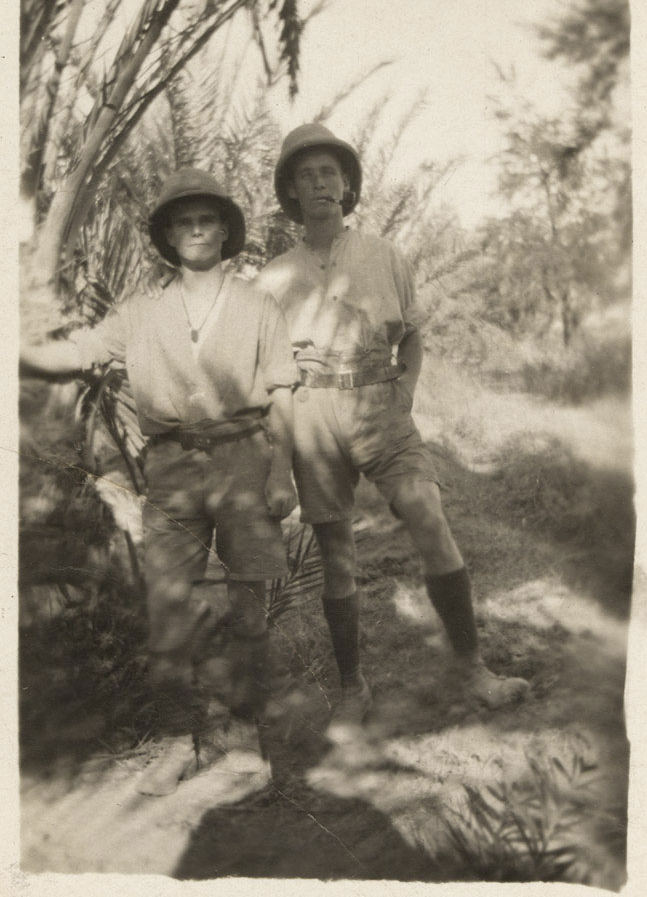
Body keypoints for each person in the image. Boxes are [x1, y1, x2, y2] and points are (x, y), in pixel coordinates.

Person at [21, 168, 298, 793]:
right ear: (167, 236)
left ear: (225, 230)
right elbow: (81, 350)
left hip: (246, 458)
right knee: (167, 606)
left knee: (247, 610)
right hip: (171, 467)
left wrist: (282, 473)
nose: (196, 230)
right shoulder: (142, 311)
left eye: (206, 219)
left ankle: (243, 739)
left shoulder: (257, 306)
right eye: (183, 221)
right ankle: (178, 740)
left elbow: (283, 392)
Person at [256, 123, 529, 736]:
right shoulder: (271, 280)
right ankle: (353, 685)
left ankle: (472, 669)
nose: (320, 182)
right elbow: (268, 376)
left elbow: (411, 333)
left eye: (330, 172)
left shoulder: (385, 256)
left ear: (348, 184)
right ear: (292, 193)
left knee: (429, 519)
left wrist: (404, 388)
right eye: (306, 175)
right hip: (312, 413)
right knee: (336, 555)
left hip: (381, 403)